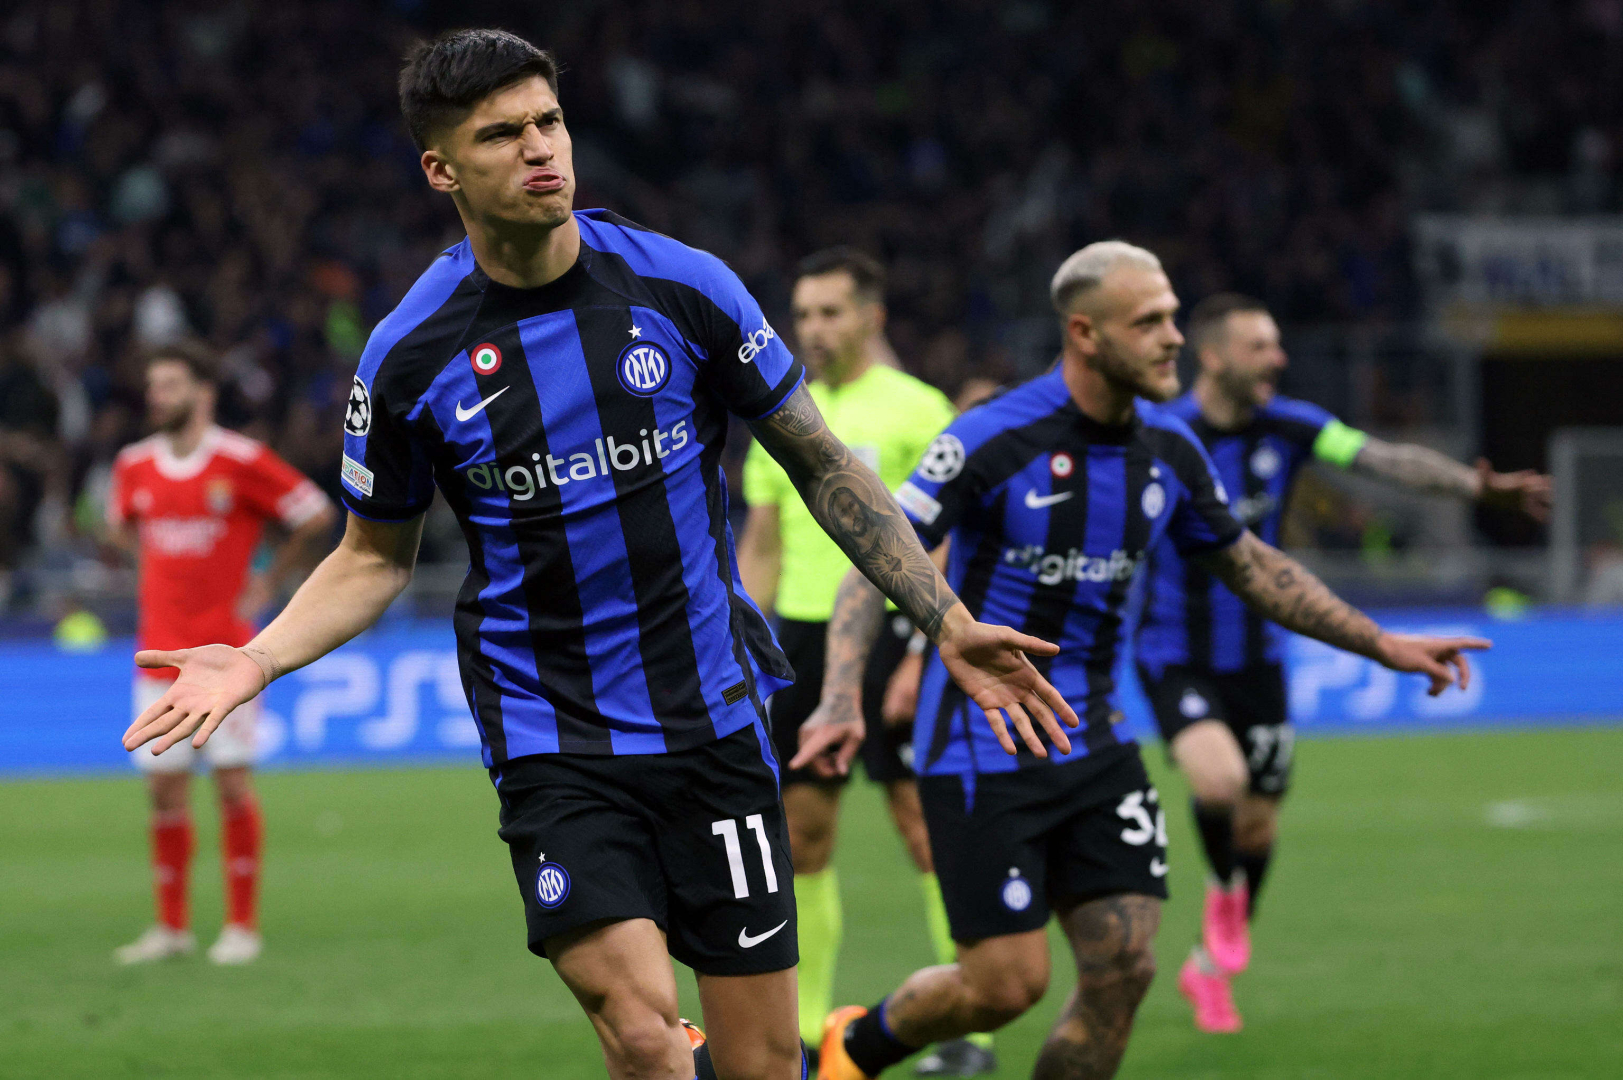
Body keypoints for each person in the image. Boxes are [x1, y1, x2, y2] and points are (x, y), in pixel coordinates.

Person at [122, 31, 1075, 1080]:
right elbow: (372, 557)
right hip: (553, 738)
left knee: (762, 1066)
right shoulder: (410, 355)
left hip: (713, 722)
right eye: (502, 134)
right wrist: (257, 658)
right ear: (441, 170)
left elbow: (820, 463)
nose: (540, 149)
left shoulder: (682, 286)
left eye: (549, 121)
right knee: (643, 1037)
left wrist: (946, 619)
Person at [796, 241, 1488, 1080]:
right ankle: (852, 1048)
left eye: (1172, 317)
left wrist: (1380, 642)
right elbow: (873, 560)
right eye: (1150, 322)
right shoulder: (994, 436)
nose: (1173, 339)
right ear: (1085, 333)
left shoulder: (1169, 448)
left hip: (1096, 741)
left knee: (1123, 968)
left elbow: (1252, 567)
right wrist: (841, 696)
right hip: (983, 744)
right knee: (1003, 987)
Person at [1132, 292, 1552, 1032]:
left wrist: (1473, 486)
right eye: (1260, 346)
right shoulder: (1161, 432)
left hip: (1259, 652)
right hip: (1173, 648)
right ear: (1215, 356)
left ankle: (1209, 965)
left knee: (1259, 827)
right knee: (1218, 780)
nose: (1278, 358)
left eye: (1277, 343)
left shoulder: (1290, 425)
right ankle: (1224, 893)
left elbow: (1385, 459)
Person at [736, 248, 992, 1077]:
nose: (812, 328)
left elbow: (944, 537)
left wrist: (923, 647)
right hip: (801, 644)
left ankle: (970, 1024)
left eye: (830, 312)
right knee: (803, 836)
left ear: (870, 317)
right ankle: (808, 1034)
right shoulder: (780, 409)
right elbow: (764, 540)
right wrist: (740, 634)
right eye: (803, 314)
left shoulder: (917, 408)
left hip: (895, 633)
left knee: (922, 829)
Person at [108, 340, 335, 965]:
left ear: (203, 392)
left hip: (226, 657)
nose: (157, 396)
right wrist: (153, 574)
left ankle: (241, 927)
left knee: (232, 784)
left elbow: (315, 513)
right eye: (153, 385)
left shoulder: (240, 459)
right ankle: (172, 929)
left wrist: (269, 580)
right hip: (157, 655)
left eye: (170, 384)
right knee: (164, 791)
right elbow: (121, 528)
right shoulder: (133, 464)